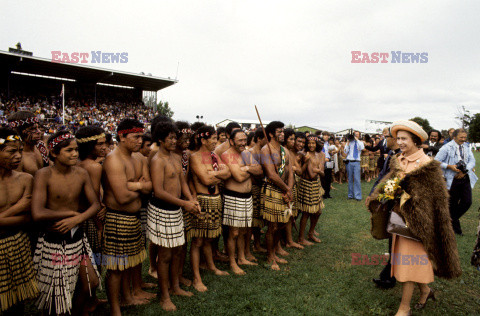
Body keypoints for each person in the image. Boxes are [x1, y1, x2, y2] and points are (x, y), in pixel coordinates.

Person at [368, 120, 461, 316]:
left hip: (418, 226)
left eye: (404, 139)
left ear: (416, 141)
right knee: (409, 262)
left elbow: (437, 200)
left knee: (410, 264)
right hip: (399, 223)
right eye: (398, 138)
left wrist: (408, 198)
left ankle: (404, 308)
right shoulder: (398, 159)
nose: (400, 142)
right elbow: (387, 183)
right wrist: (379, 196)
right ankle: (426, 291)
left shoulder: (428, 165)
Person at [32, 130, 102, 315]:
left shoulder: (81, 173)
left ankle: (78, 311)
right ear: (54, 153)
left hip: (77, 237)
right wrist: (70, 213)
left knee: (91, 283)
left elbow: (95, 204)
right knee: (58, 294)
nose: (75, 154)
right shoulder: (43, 175)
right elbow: (38, 212)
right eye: (69, 150)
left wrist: (77, 218)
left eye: (76, 150)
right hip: (54, 240)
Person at [102, 119, 154, 316]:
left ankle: (127, 297)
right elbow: (122, 197)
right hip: (117, 218)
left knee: (128, 262)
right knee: (116, 266)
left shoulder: (139, 159)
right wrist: (139, 186)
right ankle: (115, 309)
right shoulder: (113, 159)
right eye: (136, 137)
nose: (140, 141)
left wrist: (132, 185)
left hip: (132, 217)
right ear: (122, 137)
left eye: (141, 136)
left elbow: (150, 186)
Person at [148, 121, 200, 311]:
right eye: (169, 137)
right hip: (162, 210)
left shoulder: (176, 158)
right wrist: (184, 203)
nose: (173, 140)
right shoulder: (157, 160)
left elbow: (182, 183)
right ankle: (164, 296)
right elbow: (159, 191)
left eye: (174, 137)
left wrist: (190, 199)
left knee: (178, 248)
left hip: (176, 208)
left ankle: (175, 286)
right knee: (165, 254)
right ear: (160, 140)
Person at [0, 127, 39, 314]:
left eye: (20, 151)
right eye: (11, 151)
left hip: (18, 243)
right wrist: (17, 211)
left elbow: (29, 218)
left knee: (17, 300)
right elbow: (22, 214)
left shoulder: (26, 179)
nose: (18, 156)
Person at [188, 125, 230, 292]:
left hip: (215, 199)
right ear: (203, 140)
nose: (215, 141)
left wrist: (212, 174)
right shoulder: (195, 157)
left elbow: (228, 174)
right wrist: (216, 175)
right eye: (212, 138)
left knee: (210, 238)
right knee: (198, 240)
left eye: (215, 138)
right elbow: (205, 180)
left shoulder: (213, 156)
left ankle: (211, 266)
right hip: (202, 199)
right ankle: (196, 277)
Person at [75, 125, 108, 310]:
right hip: (89, 219)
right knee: (95, 261)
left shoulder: (76, 164)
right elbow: (93, 198)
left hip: (79, 217)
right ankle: (87, 303)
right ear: (89, 146)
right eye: (100, 144)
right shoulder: (93, 167)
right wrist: (99, 226)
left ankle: (91, 299)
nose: (104, 147)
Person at [221, 129, 262, 274]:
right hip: (233, 197)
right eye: (240, 140)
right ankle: (233, 261)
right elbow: (238, 177)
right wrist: (249, 170)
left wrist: (246, 168)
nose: (243, 143)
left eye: (245, 140)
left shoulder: (246, 153)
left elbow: (260, 170)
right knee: (234, 232)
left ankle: (242, 257)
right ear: (231, 141)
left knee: (244, 230)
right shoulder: (227, 155)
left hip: (247, 197)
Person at [365, 128, 401, 289]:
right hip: (388, 201)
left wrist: (380, 196)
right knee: (392, 239)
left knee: (396, 240)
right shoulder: (391, 154)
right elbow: (382, 177)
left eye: (386, 136)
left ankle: (389, 276)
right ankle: (389, 275)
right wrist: (373, 194)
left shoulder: (400, 157)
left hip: (397, 204)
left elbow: (392, 182)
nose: (383, 139)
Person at [260, 121, 294, 270]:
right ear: (271, 134)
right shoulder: (265, 150)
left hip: (284, 190)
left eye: (283, 131)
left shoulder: (284, 151)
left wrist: (289, 189)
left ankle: (275, 251)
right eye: (279, 132)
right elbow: (271, 174)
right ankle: (270, 256)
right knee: (272, 226)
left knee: (282, 224)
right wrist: (286, 188)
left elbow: (290, 171)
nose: (282, 134)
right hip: (272, 190)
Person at [435, 128, 477, 235]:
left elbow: (472, 160)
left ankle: (448, 221)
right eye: (461, 137)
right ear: (454, 137)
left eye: (464, 137)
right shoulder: (446, 148)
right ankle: (456, 230)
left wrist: (465, 170)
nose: (463, 139)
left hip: (465, 177)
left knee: (467, 202)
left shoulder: (466, 147)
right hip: (451, 180)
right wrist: (449, 166)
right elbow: (436, 161)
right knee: (452, 204)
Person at [297, 135, 324, 245]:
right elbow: (312, 174)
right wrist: (318, 170)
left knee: (318, 211)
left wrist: (317, 170)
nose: (311, 145)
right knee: (306, 212)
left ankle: (311, 233)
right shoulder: (304, 154)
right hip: (306, 184)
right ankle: (301, 238)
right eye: (309, 143)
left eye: (313, 143)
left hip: (316, 185)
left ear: (317, 144)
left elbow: (322, 173)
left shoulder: (321, 154)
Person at [7, 111, 45, 175]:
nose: (39, 132)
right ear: (19, 133)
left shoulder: (41, 147)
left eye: (38, 128)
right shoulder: (17, 158)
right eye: (33, 129)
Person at [248, 128, 267, 253]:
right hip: (253, 188)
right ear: (259, 138)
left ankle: (257, 244)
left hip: (261, 187)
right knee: (253, 219)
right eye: (266, 139)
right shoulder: (250, 152)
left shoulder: (264, 152)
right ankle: (250, 247)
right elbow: (257, 173)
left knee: (259, 218)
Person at [345, 131, 364, 201]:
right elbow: (345, 151)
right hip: (350, 162)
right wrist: (347, 143)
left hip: (357, 162)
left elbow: (362, 147)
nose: (355, 136)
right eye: (354, 135)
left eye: (357, 135)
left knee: (357, 179)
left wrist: (357, 140)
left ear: (359, 136)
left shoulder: (360, 142)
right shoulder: (349, 142)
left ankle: (358, 196)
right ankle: (350, 195)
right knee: (350, 179)